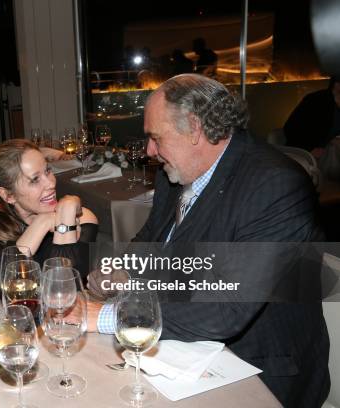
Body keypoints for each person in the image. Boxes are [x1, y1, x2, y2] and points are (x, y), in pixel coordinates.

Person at [85, 74, 330, 407]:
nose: (149, 151)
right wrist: (121, 271)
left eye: (156, 137)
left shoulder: (275, 186)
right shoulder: (176, 171)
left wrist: (105, 315)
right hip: (185, 346)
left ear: (195, 128)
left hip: (260, 366)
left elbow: (225, 309)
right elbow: (152, 240)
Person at [0, 139, 98, 298]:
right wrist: (42, 223)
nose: (51, 183)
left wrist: (66, 215)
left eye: (48, 171)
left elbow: (61, 292)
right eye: (35, 180)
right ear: (8, 195)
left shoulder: (82, 217)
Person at [284, 76, 340, 157]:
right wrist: (309, 148)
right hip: (308, 152)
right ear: (336, 84)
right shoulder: (315, 100)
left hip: (331, 149)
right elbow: (291, 128)